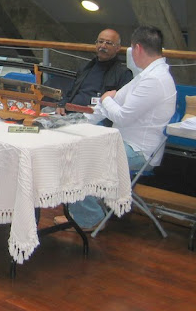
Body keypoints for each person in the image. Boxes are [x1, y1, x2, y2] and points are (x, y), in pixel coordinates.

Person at [60, 25, 177, 230]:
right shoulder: (145, 76)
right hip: (124, 142)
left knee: (77, 158)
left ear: (137, 48)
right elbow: (110, 105)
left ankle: (89, 217)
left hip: (139, 152)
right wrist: (80, 122)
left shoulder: (154, 80)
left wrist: (106, 99)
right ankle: (88, 210)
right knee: (74, 148)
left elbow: (121, 116)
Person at [56, 28, 133, 116]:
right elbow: (70, 93)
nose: (103, 46)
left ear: (117, 48)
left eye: (108, 43)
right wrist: (61, 105)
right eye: (100, 41)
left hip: (96, 117)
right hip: (69, 113)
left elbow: (121, 106)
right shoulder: (85, 67)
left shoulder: (123, 73)